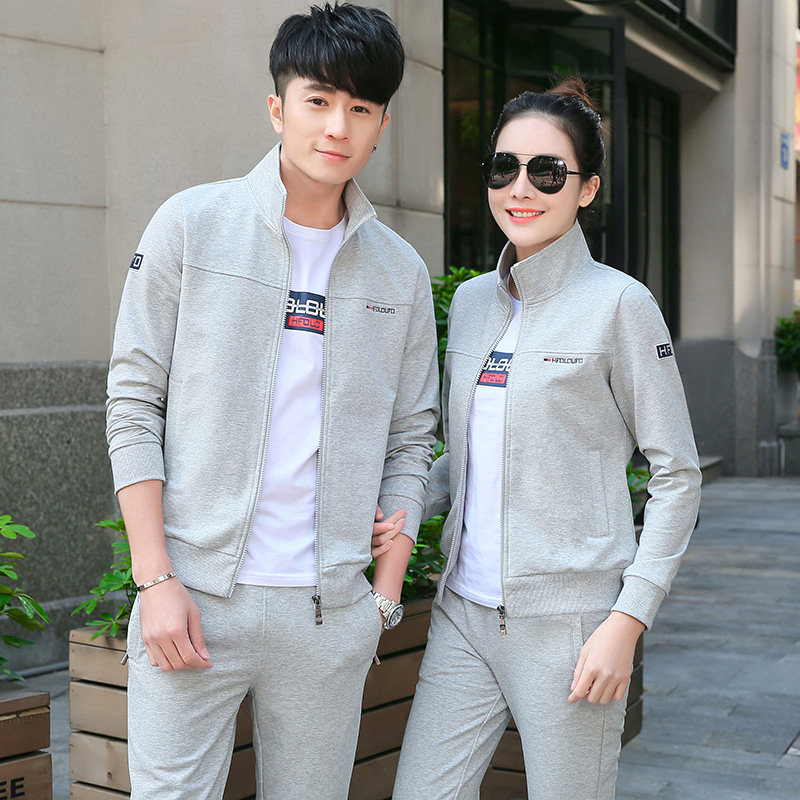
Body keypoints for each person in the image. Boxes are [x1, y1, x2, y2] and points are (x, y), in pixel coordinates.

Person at [105, 4, 438, 799]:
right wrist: (155, 581)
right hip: (192, 599)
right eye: (319, 100)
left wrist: (383, 598)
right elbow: (133, 402)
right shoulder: (191, 226)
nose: (338, 126)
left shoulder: (400, 272)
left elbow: (412, 436)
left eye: (361, 107)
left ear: (382, 125)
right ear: (277, 107)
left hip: (328, 615)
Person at [382, 78, 702, 799]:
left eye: (547, 171)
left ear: (587, 189)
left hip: (571, 628)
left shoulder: (620, 305)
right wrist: (402, 508)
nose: (520, 188)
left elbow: (678, 475)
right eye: (504, 167)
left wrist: (627, 620)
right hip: (463, 616)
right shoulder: (471, 303)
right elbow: (469, 455)